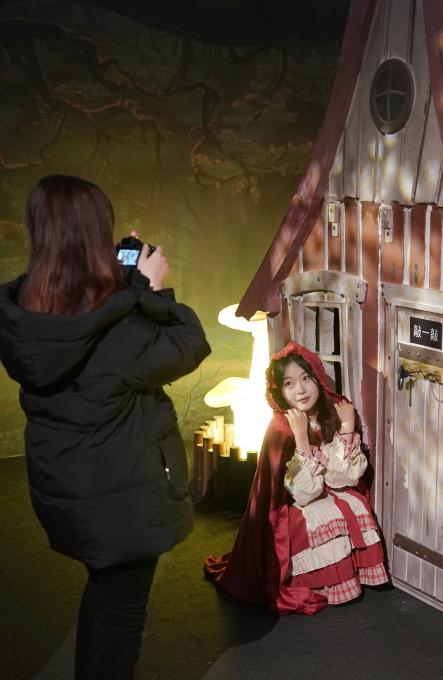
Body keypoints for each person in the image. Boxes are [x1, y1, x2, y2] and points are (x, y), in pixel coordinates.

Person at [0, 175, 210, 679]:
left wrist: (122, 284)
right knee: (121, 615)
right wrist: (150, 289)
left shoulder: (26, 310)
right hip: (123, 498)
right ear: (96, 234)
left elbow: (90, 318)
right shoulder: (120, 329)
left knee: (105, 591)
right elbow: (188, 342)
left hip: (69, 490)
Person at [204, 341, 387, 614]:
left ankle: (345, 578)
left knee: (353, 504)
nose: (300, 390)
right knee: (319, 516)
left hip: (329, 488)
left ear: (317, 377)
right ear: (279, 391)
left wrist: (347, 428)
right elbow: (303, 493)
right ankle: (317, 582)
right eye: (289, 384)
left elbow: (347, 478)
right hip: (293, 503)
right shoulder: (281, 428)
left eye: (305, 379)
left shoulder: (333, 411)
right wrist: (301, 438)